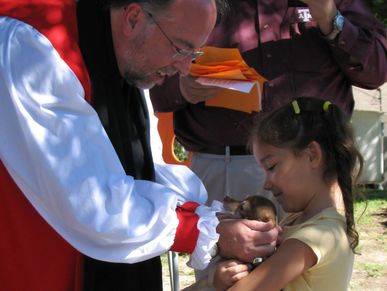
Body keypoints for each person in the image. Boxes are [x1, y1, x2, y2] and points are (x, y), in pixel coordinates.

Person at [0, 1, 279, 291]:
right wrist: (204, 231)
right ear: (133, 18)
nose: (185, 68)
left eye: (193, 54)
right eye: (180, 49)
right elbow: (90, 199)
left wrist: (209, 216)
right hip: (37, 263)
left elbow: (148, 164)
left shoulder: (129, 53)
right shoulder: (33, 45)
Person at [150, 0, 386, 207]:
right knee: (228, 259)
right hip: (227, 169)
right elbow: (146, 76)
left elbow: (377, 72)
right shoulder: (191, 5)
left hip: (316, 168)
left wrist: (331, 19)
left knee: (318, 256)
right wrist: (181, 88)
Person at [213, 97, 364, 291]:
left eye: (272, 167)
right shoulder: (295, 222)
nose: (266, 184)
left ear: (312, 155)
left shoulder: (318, 235)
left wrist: (215, 283)